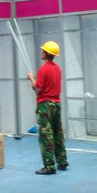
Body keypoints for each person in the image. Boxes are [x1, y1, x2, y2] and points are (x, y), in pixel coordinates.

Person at [27, 40, 68, 175]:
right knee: (57, 133)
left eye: (42, 50)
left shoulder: (43, 69)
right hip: (56, 104)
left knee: (46, 135)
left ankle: (49, 166)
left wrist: (31, 79)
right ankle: (62, 161)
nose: (41, 52)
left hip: (45, 105)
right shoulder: (57, 69)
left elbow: (38, 90)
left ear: (45, 53)